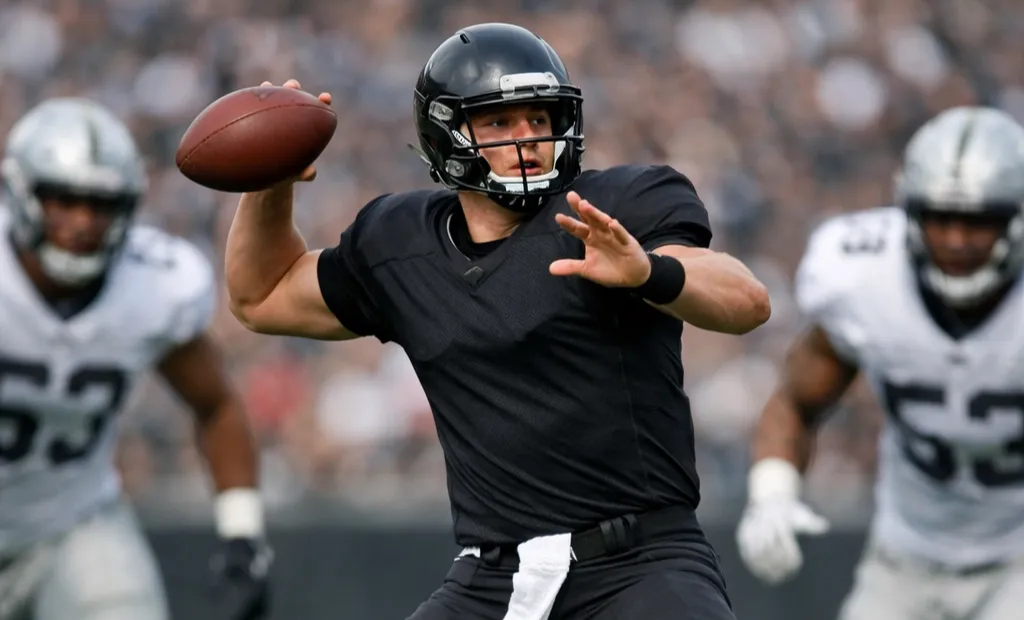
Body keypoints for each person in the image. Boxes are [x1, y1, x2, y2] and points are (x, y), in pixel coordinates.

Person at [224, 22, 769, 620]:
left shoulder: (615, 206)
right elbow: (262, 295)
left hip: (638, 564)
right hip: (492, 575)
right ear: (445, 134)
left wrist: (650, 274)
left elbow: (746, 300)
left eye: (540, 119)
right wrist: (270, 180)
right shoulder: (399, 242)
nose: (528, 139)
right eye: (500, 122)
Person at [735, 106, 1024, 619]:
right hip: (905, 558)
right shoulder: (863, 275)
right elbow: (797, 403)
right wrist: (772, 492)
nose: (956, 240)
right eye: (940, 217)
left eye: (978, 221)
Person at [0, 98, 272, 620]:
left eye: (100, 204)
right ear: (21, 192)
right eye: (63, 199)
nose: (82, 222)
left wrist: (242, 536)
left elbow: (215, 404)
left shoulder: (153, 285)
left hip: (71, 527)